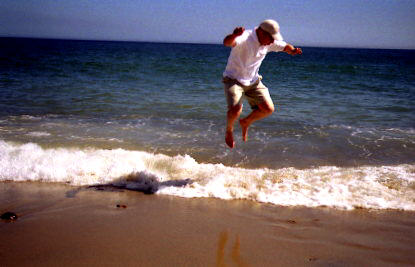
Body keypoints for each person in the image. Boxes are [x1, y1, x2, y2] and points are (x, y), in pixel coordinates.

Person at [222, 19, 302, 148]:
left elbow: (285, 46)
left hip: (253, 81)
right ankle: (229, 131)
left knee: (268, 109)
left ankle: (246, 122)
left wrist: (292, 50)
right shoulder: (245, 37)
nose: (272, 41)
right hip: (233, 79)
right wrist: (234, 35)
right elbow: (227, 42)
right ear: (261, 32)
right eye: (271, 38)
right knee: (236, 109)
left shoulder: (268, 42)